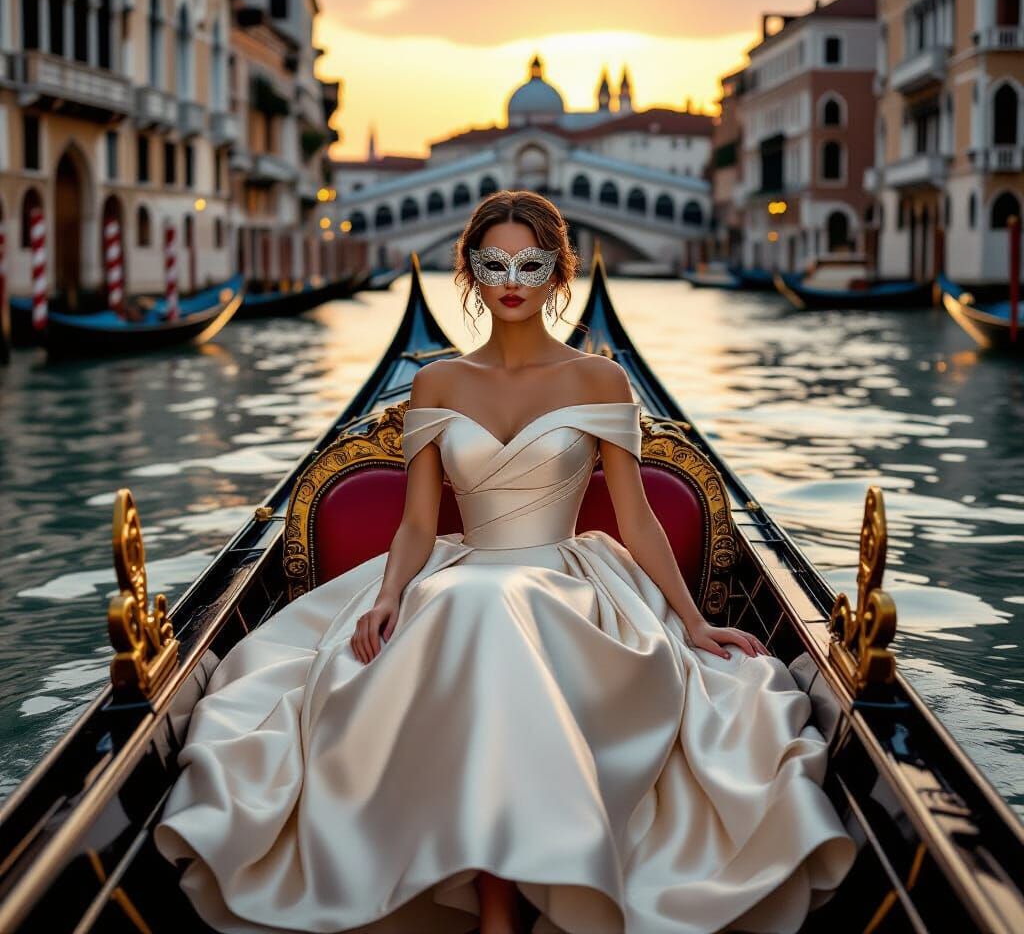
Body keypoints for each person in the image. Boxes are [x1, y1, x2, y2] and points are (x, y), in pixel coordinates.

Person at [154, 190, 857, 934]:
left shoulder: (600, 380)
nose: (512, 278)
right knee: (477, 606)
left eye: (531, 262)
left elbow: (638, 517)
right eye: (493, 263)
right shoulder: (437, 383)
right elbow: (419, 521)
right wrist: (390, 594)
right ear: (471, 272)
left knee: (495, 607)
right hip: (462, 576)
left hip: (571, 583)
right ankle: (499, 903)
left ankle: (505, 904)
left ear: (560, 274)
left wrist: (694, 623)